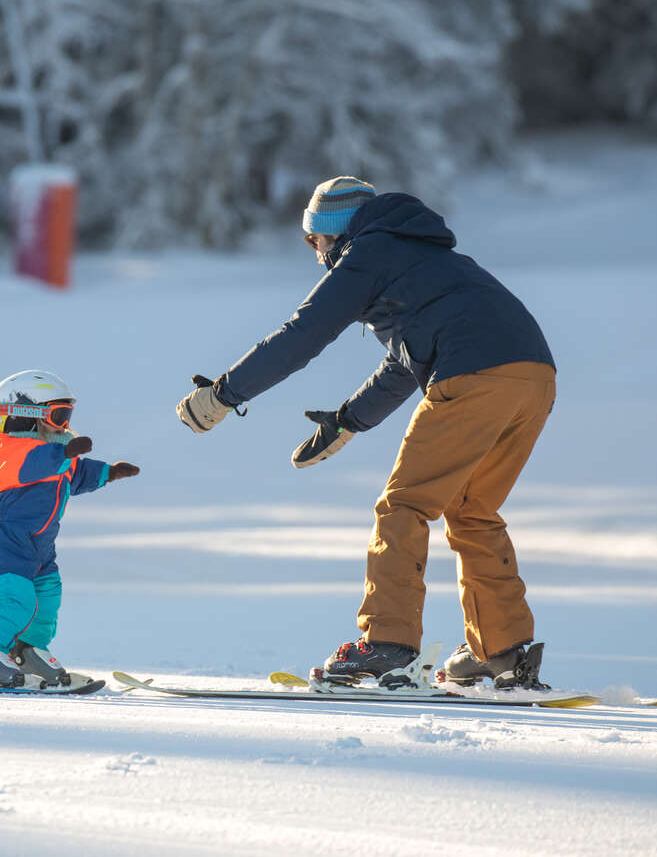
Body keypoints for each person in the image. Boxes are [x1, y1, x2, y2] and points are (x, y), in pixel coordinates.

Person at [175, 177, 556, 689]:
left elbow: (303, 334)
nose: (315, 254)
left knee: (403, 505)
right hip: (534, 376)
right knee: (472, 510)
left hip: (475, 375)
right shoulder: (420, 258)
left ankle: (388, 645)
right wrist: (347, 420)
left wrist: (223, 394)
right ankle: (503, 650)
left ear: (333, 231)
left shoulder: (368, 251)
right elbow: (405, 363)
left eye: (314, 240)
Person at [0, 369, 139, 687]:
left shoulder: (56, 456)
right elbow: (35, 463)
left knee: (48, 598)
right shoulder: (5, 452)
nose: (64, 425)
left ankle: (25, 650)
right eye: (59, 416)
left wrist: (108, 472)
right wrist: (63, 451)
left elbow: (76, 474)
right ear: (26, 415)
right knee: (15, 600)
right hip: (9, 541)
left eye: (67, 416)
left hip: (41, 546)